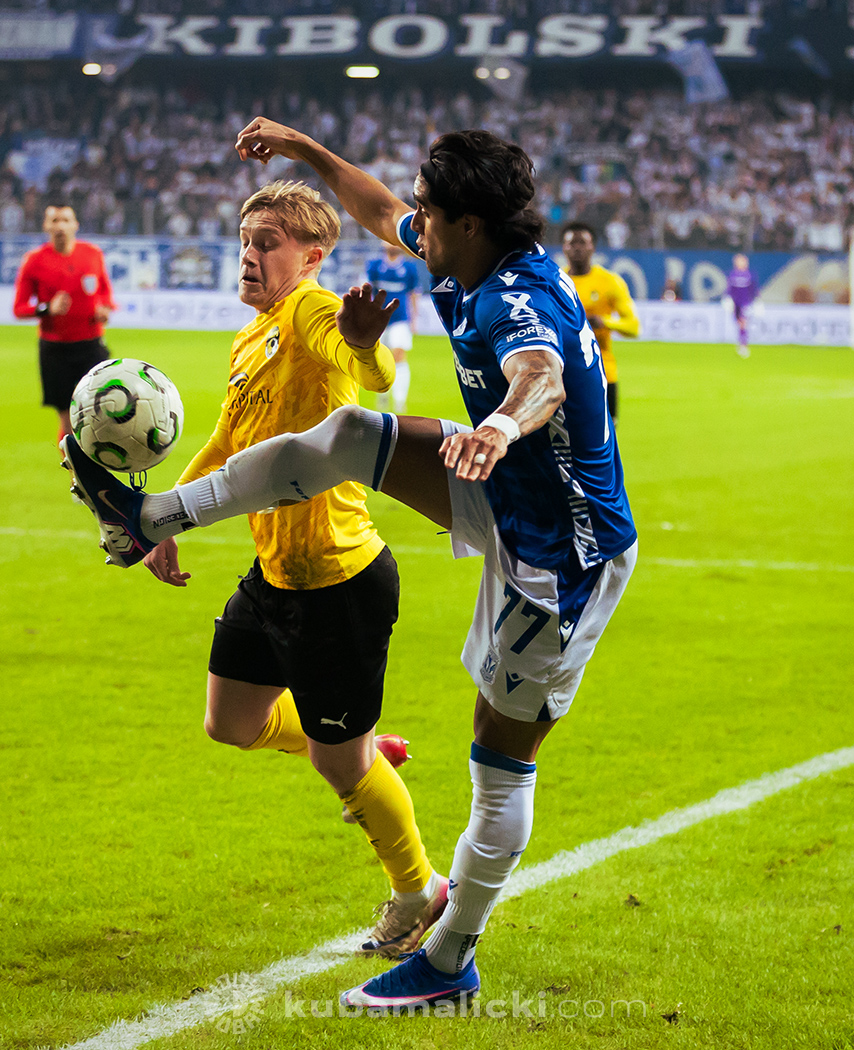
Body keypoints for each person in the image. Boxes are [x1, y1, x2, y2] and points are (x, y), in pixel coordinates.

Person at [60, 121, 637, 1011]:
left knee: (498, 758)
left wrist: (497, 425)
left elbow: (542, 377)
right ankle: (150, 516)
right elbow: (372, 206)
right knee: (351, 437)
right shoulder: (468, 255)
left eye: (428, 213)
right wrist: (305, 150)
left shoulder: (513, 299)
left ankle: (449, 959)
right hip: (501, 485)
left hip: (563, 550)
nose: (414, 222)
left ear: (471, 223)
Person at [69, 180, 449, 959]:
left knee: (341, 766)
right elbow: (226, 440)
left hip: (340, 581)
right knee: (231, 723)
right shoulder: (251, 338)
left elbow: (370, 372)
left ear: (310, 255)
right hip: (276, 576)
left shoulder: (309, 309)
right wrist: (166, 518)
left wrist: (365, 341)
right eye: (246, 239)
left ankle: (419, 893)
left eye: (268, 242)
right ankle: (351, 746)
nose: (249, 254)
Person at [12, 203, 114, 442]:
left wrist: (104, 308)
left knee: (102, 415)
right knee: (68, 422)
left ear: (75, 225)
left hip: (91, 345)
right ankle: (72, 464)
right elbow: (19, 308)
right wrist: (47, 308)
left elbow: (105, 292)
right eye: (55, 220)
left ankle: (98, 461)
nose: (60, 226)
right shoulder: (34, 260)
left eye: (65, 220)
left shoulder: (92, 254)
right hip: (55, 350)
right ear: (46, 226)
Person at [559, 222, 638, 421]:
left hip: (602, 373)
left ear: (592, 247)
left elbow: (633, 327)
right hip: (564, 374)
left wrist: (605, 322)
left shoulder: (609, 281)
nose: (577, 248)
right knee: (564, 436)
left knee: (607, 435)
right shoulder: (555, 282)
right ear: (564, 248)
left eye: (582, 243)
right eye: (572, 243)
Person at [365, 243, 420, 413]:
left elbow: (413, 293)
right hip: (378, 320)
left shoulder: (409, 268)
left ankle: (399, 400)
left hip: (400, 319)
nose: (391, 244)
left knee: (399, 355)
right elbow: (367, 291)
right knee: (381, 357)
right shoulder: (375, 266)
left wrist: (414, 318)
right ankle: (382, 393)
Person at [723, 253, 759, 358]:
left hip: (745, 302)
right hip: (735, 303)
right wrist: (727, 298)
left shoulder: (749, 275)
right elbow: (729, 289)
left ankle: (743, 345)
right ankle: (741, 342)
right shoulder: (732, 274)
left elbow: (753, 289)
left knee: (743, 322)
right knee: (739, 323)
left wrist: (756, 301)